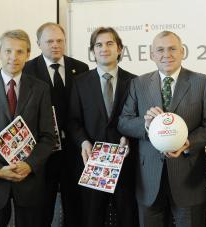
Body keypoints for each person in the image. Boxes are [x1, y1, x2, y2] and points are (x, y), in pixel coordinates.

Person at [118, 31, 206, 227]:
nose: (167, 54)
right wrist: (146, 124)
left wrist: (188, 143)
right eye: (160, 50)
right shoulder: (138, 84)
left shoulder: (202, 82)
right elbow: (123, 122)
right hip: (148, 180)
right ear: (152, 55)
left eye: (173, 48)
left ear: (182, 51)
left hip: (188, 179)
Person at [0, 29, 55, 227]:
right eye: (8, 51)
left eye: (20, 52)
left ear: (28, 54)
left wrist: (30, 164)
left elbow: (49, 137)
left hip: (29, 182)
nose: (14, 57)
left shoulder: (41, 89)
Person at [68, 27, 138, 227]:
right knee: (92, 219)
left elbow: (138, 120)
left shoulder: (135, 81)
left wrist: (129, 138)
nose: (104, 48)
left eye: (109, 44)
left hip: (126, 166)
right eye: (98, 45)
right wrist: (83, 141)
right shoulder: (80, 82)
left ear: (120, 49)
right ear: (92, 51)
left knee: (128, 219)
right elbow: (72, 120)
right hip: (92, 165)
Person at [22, 22, 89, 227]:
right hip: (43, 152)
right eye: (49, 41)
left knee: (74, 208)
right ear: (38, 44)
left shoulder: (81, 68)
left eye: (59, 40)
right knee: (42, 209)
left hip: (73, 151)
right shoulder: (27, 70)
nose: (55, 45)